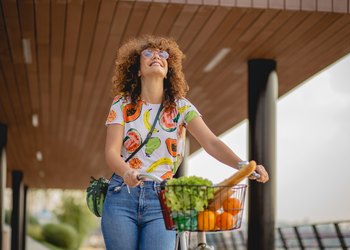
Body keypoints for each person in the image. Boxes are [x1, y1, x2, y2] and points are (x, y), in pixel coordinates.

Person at [102, 35, 269, 250]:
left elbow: (211, 142)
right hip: (121, 196)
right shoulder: (122, 104)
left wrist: (243, 165)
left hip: (162, 200)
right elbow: (111, 152)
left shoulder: (182, 107)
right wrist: (126, 172)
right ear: (137, 69)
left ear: (168, 69)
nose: (157, 56)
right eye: (148, 53)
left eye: (163, 55)